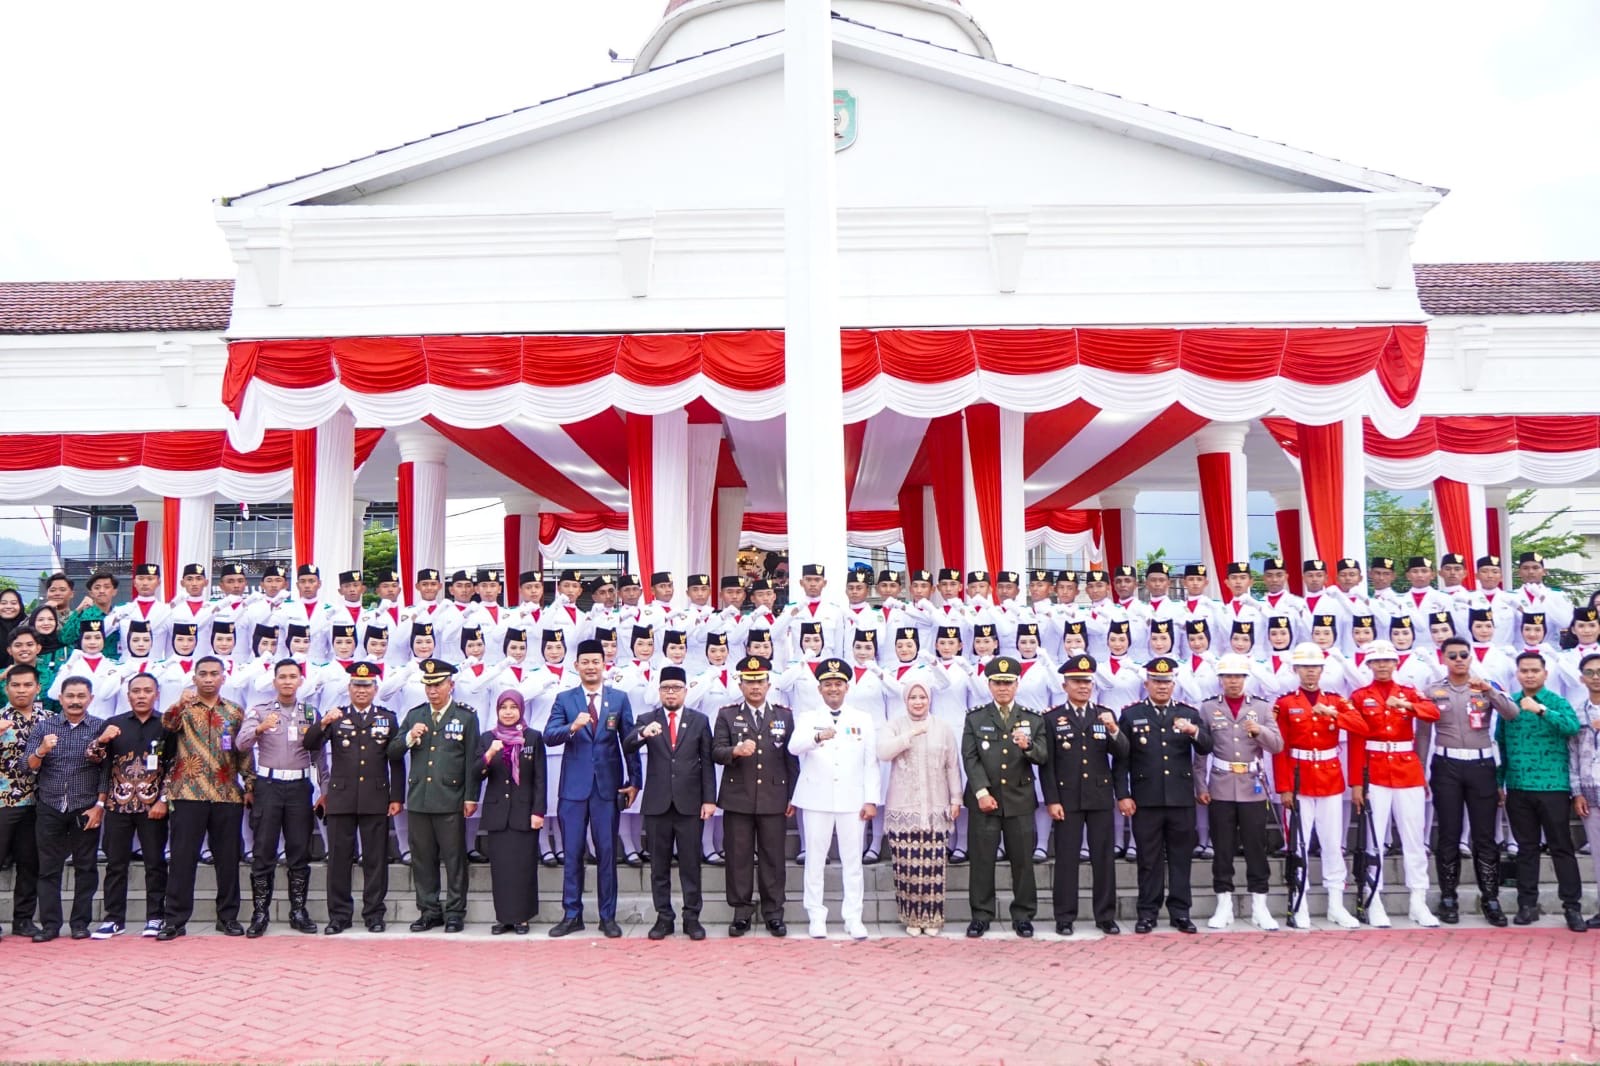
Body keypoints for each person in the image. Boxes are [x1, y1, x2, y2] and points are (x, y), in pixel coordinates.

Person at [1416, 636, 1518, 926]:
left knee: (1484, 836)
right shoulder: (1433, 690)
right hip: (1446, 765)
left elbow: (1512, 714)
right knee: (1448, 833)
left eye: (1463, 654)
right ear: (1443, 659)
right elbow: (1423, 734)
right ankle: (1449, 897)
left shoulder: (1485, 686)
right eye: (1453, 655)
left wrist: (1490, 691)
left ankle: (1491, 897)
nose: (1459, 659)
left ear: (1470, 657)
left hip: (1481, 764)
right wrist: (1420, 770)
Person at [1339, 640, 1441, 928]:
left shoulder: (1408, 692)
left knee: (1414, 838)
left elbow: (1433, 713)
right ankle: (1374, 899)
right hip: (1375, 771)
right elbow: (1357, 741)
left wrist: (1407, 705)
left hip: (1406, 769)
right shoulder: (1360, 696)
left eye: (1387, 661)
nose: (1382, 665)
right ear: (1369, 665)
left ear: (1396, 664)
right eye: (1377, 661)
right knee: (1374, 838)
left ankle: (1418, 900)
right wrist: (1357, 783)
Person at [542, 639, 639, 938]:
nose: (591, 667)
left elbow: (630, 742)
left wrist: (635, 781)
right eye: (585, 662)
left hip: (607, 788)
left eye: (596, 661)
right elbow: (549, 735)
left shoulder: (619, 699)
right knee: (572, 853)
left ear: (604, 664)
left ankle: (607, 917)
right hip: (573, 789)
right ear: (577, 666)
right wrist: (572, 727)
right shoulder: (565, 699)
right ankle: (572, 914)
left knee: (607, 853)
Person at [302, 661, 404, 934]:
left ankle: (374, 914)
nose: (361, 690)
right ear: (348, 687)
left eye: (367, 685)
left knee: (375, 858)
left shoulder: (388, 718)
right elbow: (310, 744)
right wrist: (322, 722)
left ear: (375, 688)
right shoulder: (336, 716)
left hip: (375, 796)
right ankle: (339, 915)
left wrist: (397, 796)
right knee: (338, 859)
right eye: (357, 685)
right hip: (341, 797)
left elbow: (395, 760)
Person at [1117, 656, 1214, 934]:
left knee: (1181, 857)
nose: (1162, 687)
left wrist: (1194, 730)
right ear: (1146, 683)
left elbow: (1207, 747)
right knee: (1148, 859)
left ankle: (1180, 912)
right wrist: (1123, 794)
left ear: (1174, 684)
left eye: (1167, 682)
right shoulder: (1132, 714)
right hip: (1146, 799)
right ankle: (1147, 912)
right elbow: (1123, 758)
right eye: (1157, 682)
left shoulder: (1188, 714)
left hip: (1180, 799)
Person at [158, 657, 251, 939]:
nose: (209, 679)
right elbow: (167, 724)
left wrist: (249, 784)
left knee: (227, 859)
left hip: (226, 794)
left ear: (224, 677)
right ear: (194, 677)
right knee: (183, 859)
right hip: (188, 792)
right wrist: (179, 702)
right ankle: (174, 920)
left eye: (214, 674)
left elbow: (243, 751)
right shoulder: (183, 709)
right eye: (203, 674)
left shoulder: (234, 712)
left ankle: (228, 917)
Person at [789, 657, 880, 940]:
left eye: (838, 684)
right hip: (816, 798)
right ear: (819, 689)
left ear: (847, 687)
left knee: (852, 861)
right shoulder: (807, 717)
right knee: (815, 860)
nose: (833, 689)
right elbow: (793, 748)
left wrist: (871, 799)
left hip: (852, 799)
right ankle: (816, 915)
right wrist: (817, 738)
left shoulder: (862, 719)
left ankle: (853, 916)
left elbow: (870, 762)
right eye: (827, 684)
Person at [624, 664, 715, 940]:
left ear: (686, 691)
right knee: (659, 866)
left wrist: (709, 800)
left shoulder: (699, 720)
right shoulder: (647, 717)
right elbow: (627, 744)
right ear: (659, 691)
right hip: (657, 804)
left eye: (676, 688)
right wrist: (642, 734)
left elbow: (707, 762)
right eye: (665, 688)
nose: (671, 693)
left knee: (690, 865)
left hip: (689, 804)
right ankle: (664, 917)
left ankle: (692, 918)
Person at [1273, 643, 1360, 929]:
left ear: (1322, 670)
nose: (1310, 672)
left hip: (1329, 777)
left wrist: (1333, 715)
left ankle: (1336, 903)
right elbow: (1280, 748)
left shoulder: (1336, 700)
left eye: (1315, 667)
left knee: (1333, 843)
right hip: (1298, 777)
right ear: (1296, 670)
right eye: (1305, 667)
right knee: (1298, 844)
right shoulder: (1285, 703)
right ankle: (1299, 903)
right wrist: (1284, 787)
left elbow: (1361, 726)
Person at [390, 658, 480, 933]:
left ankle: (454, 912)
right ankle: (429, 910)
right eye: (428, 685)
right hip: (420, 798)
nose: (433, 691)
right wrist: (408, 738)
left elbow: (471, 760)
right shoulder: (415, 715)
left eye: (438, 685)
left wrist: (470, 796)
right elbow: (392, 752)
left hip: (450, 798)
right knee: (422, 858)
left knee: (454, 858)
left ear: (450, 685)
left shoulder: (465, 716)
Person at [1497, 652, 1586, 932]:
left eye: (1535, 670)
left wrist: (1541, 710)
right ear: (1517, 674)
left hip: (1554, 787)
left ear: (1545, 674)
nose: (1530, 675)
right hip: (1519, 786)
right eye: (1524, 671)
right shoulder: (1509, 705)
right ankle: (1527, 905)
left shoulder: (1557, 702)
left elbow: (1572, 727)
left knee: (1561, 847)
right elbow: (1501, 743)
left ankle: (1572, 907)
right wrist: (1500, 782)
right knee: (1526, 849)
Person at [961, 656, 1048, 938]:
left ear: (1017, 684)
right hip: (985, 800)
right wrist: (982, 792)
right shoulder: (976, 717)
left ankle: (1023, 915)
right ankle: (981, 915)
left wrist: (1029, 747)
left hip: (1019, 799)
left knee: (1022, 861)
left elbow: (1043, 755)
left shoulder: (1032, 719)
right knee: (982, 860)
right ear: (989, 685)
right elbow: (970, 758)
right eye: (998, 683)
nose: (1003, 689)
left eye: (1008, 683)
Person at [712, 654, 798, 937]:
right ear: (740, 685)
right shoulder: (727, 714)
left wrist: (792, 797)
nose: (755, 687)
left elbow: (791, 760)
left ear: (769, 683)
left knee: (773, 857)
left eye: (760, 681)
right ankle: (741, 912)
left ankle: (774, 912)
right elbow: (715, 752)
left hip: (774, 796)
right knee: (739, 857)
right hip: (738, 797)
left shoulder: (784, 715)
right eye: (749, 682)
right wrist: (734, 751)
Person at [1041, 653, 1127, 936]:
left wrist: (1115, 731)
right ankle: (1064, 916)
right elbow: (1048, 764)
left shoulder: (1104, 715)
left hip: (1100, 796)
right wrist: (1052, 799)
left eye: (1087, 682)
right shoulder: (1053, 718)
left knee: (1103, 858)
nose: (1083, 687)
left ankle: (1105, 915)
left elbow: (1123, 754)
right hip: (1068, 798)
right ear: (1065, 685)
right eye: (1077, 682)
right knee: (1066, 859)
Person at [1196, 653, 1282, 931]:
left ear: (1245, 678)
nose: (1233, 681)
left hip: (1252, 785)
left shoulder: (1262, 707)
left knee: (1256, 847)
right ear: (1220, 679)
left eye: (1238, 676)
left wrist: (1259, 732)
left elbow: (1277, 745)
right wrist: (1200, 783)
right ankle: (1224, 904)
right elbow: (1201, 750)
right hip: (1220, 785)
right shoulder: (1208, 708)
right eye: (1228, 676)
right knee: (1222, 848)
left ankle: (1260, 905)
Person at [237, 659, 322, 937]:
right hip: (268, 786)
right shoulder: (260, 712)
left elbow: (320, 755)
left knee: (299, 851)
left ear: (300, 681)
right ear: (274, 682)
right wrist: (260, 729)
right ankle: (260, 913)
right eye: (282, 677)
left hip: (299, 787)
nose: (287, 681)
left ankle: (298, 911)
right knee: (263, 851)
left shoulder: (310, 712)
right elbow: (240, 744)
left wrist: (325, 790)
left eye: (292, 677)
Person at [89, 672, 173, 938]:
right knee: (116, 864)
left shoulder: (166, 725)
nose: (141, 695)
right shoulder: (113, 724)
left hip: (153, 807)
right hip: (118, 805)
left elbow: (174, 766)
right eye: (136, 691)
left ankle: (156, 917)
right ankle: (114, 918)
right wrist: (102, 741)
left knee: (155, 863)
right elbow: (95, 760)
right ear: (128, 695)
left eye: (147, 691)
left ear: (156, 694)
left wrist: (163, 799)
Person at [23, 676, 105, 941]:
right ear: (60, 698)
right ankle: (50, 926)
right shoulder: (44, 727)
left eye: (81, 696)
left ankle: (80, 924)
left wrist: (99, 806)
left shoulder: (99, 727)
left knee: (86, 867)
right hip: (50, 806)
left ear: (90, 699)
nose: (75, 701)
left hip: (85, 807)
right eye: (70, 696)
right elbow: (28, 766)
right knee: (48, 868)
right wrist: (42, 750)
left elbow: (106, 770)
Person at [477, 689, 546, 934]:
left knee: (523, 867)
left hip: (524, 813)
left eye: (513, 707)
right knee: (501, 869)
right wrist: (490, 754)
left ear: (521, 710)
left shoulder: (533, 737)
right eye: (504, 708)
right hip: (498, 814)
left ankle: (522, 917)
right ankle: (504, 917)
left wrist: (539, 811)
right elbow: (475, 773)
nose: (508, 712)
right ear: (497, 711)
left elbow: (540, 778)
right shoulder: (487, 739)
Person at [0, 662, 46, 939]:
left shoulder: (51, 720)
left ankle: (23, 920)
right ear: (6, 689)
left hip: (39, 803)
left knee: (30, 864)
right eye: (15, 685)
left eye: (27, 685)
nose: (21, 690)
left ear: (37, 688)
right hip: (4, 802)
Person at [1568, 653, 1600, 928]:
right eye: (1590, 672)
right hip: (1591, 792)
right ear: (1581, 678)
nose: (1596, 677)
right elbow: (1572, 756)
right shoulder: (1577, 713)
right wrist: (1577, 792)